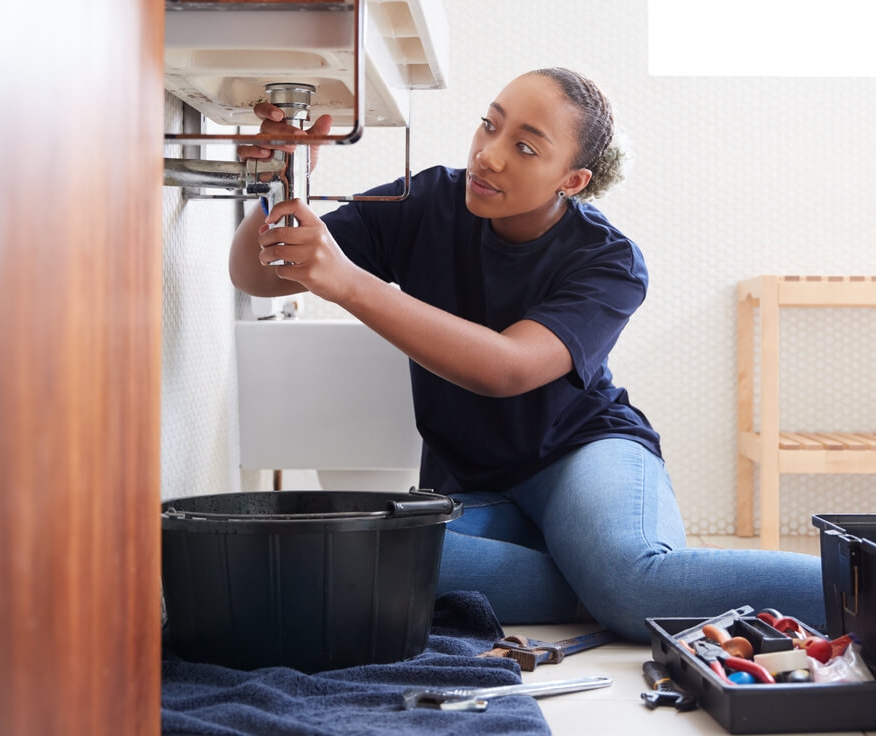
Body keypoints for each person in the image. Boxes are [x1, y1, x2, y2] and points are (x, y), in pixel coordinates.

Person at [230, 67, 824, 643]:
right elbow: (261, 275)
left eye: (526, 147)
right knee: (362, 559)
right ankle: (591, 584)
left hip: (582, 452)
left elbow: (506, 368)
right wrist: (278, 181)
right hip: (473, 479)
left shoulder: (610, 261)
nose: (489, 155)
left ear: (572, 181)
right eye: (489, 125)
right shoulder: (427, 201)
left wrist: (352, 284)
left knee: (634, 584)